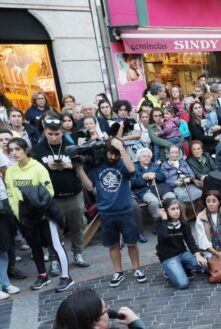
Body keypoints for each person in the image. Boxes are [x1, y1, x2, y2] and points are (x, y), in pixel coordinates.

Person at [5, 138, 74, 292]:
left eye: (17, 149)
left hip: (43, 215)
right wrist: (18, 214)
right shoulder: (10, 171)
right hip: (25, 217)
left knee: (55, 246)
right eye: (11, 150)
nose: (14, 153)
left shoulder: (38, 168)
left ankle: (66, 277)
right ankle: (43, 275)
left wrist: (39, 210)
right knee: (34, 247)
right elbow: (11, 194)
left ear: (25, 150)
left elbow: (49, 192)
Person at [78, 139, 146, 287]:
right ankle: (118, 272)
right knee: (113, 244)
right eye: (111, 154)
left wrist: (121, 149)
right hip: (106, 212)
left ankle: (137, 269)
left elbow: (132, 170)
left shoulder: (121, 163)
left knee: (132, 243)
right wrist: (79, 168)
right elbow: (89, 187)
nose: (113, 158)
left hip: (125, 210)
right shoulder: (97, 166)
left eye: (116, 155)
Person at [31, 117, 90, 269]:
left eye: (57, 134)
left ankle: (78, 253)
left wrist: (71, 164)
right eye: (50, 134)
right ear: (44, 132)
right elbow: (32, 173)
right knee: (53, 230)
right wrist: (46, 166)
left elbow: (84, 167)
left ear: (62, 132)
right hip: (51, 198)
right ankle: (54, 258)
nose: (54, 137)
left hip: (73, 194)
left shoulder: (70, 146)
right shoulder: (37, 150)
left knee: (77, 226)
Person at [154, 197, 207, 289]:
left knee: (205, 265)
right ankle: (168, 271)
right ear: (166, 211)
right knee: (182, 284)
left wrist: (198, 255)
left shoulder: (183, 223)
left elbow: (190, 241)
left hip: (182, 253)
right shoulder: (160, 224)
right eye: (173, 209)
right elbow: (163, 236)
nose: (176, 211)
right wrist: (164, 220)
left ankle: (183, 266)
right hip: (168, 257)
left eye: (177, 208)